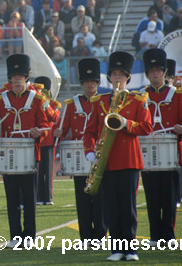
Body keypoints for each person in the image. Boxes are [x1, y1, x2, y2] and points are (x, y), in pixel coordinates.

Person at [84, 51, 153, 261]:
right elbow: (89, 131)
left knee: (128, 206)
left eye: (121, 75)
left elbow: (147, 127)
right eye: (114, 74)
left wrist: (126, 124)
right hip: (107, 160)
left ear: (127, 78)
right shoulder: (99, 101)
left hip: (129, 160)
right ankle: (116, 249)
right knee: (111, 206)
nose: (117, 78)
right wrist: (89, 152)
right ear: (109, 78)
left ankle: (130, 248)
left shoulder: (138, 99)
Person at [0, 54, 49, 247]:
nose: (17, 79)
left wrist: (38, 132)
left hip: (30, 153)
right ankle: (15, 236)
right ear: (9, 78)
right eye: (14, 76)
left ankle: (29, 237)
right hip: (9, 154)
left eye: (20, 76)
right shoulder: (1, 99)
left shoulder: (37, 99)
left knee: (30, 199)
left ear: (26, 77)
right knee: (12, 198)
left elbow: (45, 126)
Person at [141, 48, 182, 247]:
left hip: (171, 154)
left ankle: (168, 236)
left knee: (169, 198)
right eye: (151, 71)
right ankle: (155, 235)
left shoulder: (177, 96)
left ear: (164, 73)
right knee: (151, 197)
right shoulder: (141, 97)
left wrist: (181, 129)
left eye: (158, 71)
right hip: (148, 154)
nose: (155, 74)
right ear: (147, 74)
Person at [54, 58, 107, 240]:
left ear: (97, 83)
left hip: (100, 154)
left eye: (93, 81)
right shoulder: (71, 104)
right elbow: (63, 131)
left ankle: (100, 235)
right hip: (79, 157)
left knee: (100, 199)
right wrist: (58, 133)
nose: (90, 84)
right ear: (82, 83)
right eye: (86, 81)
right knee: (82, 199)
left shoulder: (105, 102)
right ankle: (85, 236)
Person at [33, 76, 60, 206]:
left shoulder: (53, 104)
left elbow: (54, 117)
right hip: (36, 141)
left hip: (48, 141)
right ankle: (38, 197)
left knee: (48, 172)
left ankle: (48, 197)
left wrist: (47, 105)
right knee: (36, 171)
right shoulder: (33, 101)